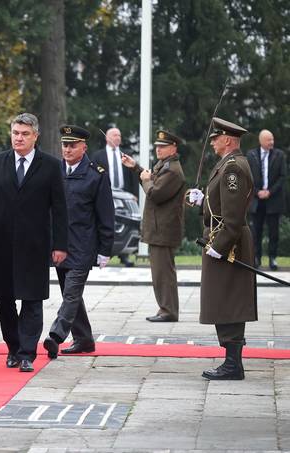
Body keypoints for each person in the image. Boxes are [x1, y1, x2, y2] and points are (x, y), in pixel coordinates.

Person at [0, 113, 68, 372]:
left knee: (31, 299)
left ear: (35, 136)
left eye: (25, 134)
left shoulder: (49, 165)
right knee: (3, 299)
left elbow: (60, 208)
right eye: (16, 132)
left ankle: (27, 353)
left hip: (34, 245)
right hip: (2, 244)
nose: (19, 138)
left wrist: (60, 245)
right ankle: (14, 348)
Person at [188, 117, 256, 380]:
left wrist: (220, 245)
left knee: (229, 301)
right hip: (223, 242)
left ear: (227, 139)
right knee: (222, 300)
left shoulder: (233, 169)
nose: (213, 142)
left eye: (216, 138)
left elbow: (234, 215)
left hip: (230, 245)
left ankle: (233, 364)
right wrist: (204, 200)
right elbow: (223, 205)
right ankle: (231, 361)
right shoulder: (228, 165)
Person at [42, 125, 113, 359]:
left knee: (71, 293)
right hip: (60, 244)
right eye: (65, 144)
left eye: (73, 145)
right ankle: (84, 339)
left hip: (83, 245)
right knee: (70, 294)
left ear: (84, 147)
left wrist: (105, 249)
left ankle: (56, 335)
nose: (68, 149)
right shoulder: (54, 170)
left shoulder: (96, 174)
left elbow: (105, 214)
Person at [122, 130, 186, 322]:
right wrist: (135, 168)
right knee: (160, 272)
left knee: (163, 273)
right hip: (159, 228)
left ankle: (168, 311)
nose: (158, 149)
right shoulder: (165, 165)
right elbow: (150, 180)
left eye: (163, 146)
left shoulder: (173, 170)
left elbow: (155, 193)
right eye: (157, 146)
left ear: (173, 148)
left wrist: (145, 179)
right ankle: (165, 308)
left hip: (163, 229)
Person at [91, 127, 138, 266]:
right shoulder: (98, 155)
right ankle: (100, 253)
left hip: (124, 197)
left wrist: (134, 194)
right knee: (103, 224)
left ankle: (124, 255)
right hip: (104, 196)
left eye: (119, 135)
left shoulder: (126, 154)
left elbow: (133, 176)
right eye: (115, 135)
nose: (118, 137)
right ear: (107, 137)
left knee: (124, 225)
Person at [247, 129, 286, 270]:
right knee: (255, 232)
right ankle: (256, 258)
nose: (272, 142)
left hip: (273, 200)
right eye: (269, 140)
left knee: (273, 232)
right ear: (261, 141)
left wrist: (269, 192)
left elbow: (282, 177)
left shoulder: (279, 155)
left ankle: (273, 259)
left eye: (272, 139)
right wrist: (257, 192)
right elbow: (247, 177)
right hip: (256, 201)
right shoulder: (251, 155)